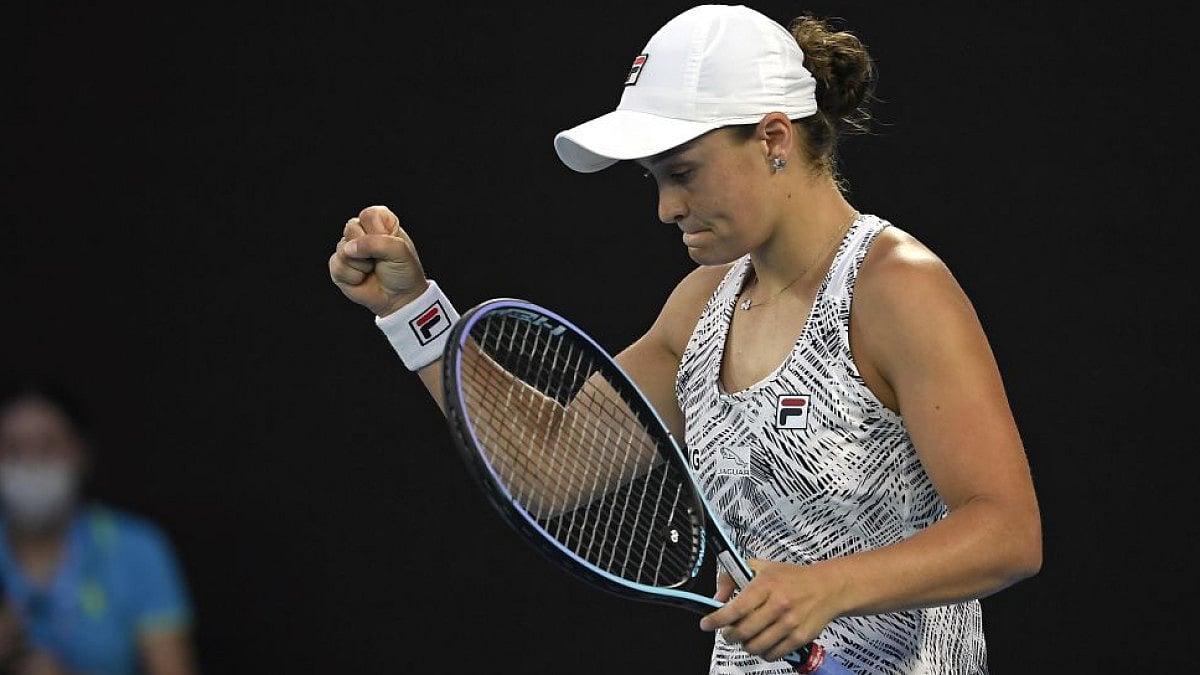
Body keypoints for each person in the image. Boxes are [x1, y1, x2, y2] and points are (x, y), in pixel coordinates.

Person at [327, 4, 1042, 673]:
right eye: (655, 180)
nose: (667, 207)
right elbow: (544, 465)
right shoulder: (700, 306)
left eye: (683, 173)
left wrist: (827, 587)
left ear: (772, 138)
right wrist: (414, 312)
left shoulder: (897, 288)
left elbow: (1008, 530)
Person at [0, 376, 198, 675]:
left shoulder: (136, 548)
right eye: (13, 448)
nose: (31, 462)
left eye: (48, 445)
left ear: (80, 452)